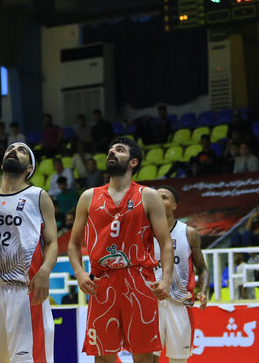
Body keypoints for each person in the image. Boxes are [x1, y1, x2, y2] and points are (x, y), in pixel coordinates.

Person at [67, 137, 173, 361]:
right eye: (110, 150)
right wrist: (79, 273)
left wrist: (166, 279)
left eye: (119, 150)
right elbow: (73, 244)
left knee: (144, 357)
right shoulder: (88, 197)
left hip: (139, 279)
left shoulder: (149, 196)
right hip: (102, 282)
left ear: (133, 162)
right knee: (103, 357)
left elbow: (165, 242)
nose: (111, 152)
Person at [0, 142, 58, 362]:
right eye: (9, 149)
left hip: (24, 290)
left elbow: (51, 242)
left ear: (29, 168)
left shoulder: (38, 196)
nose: (13, 151)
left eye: (22, 151)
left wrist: (45, 272)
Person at [152, 186, 209, 363]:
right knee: (147, 358)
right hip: (150, 303)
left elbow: (203, 269)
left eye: (164, 197)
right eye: (156, 197)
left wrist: (204, 291)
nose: (159, 200)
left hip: (179, 304)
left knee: (178, 360)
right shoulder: (143, 233)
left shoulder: (189, 233)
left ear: (175, 205)